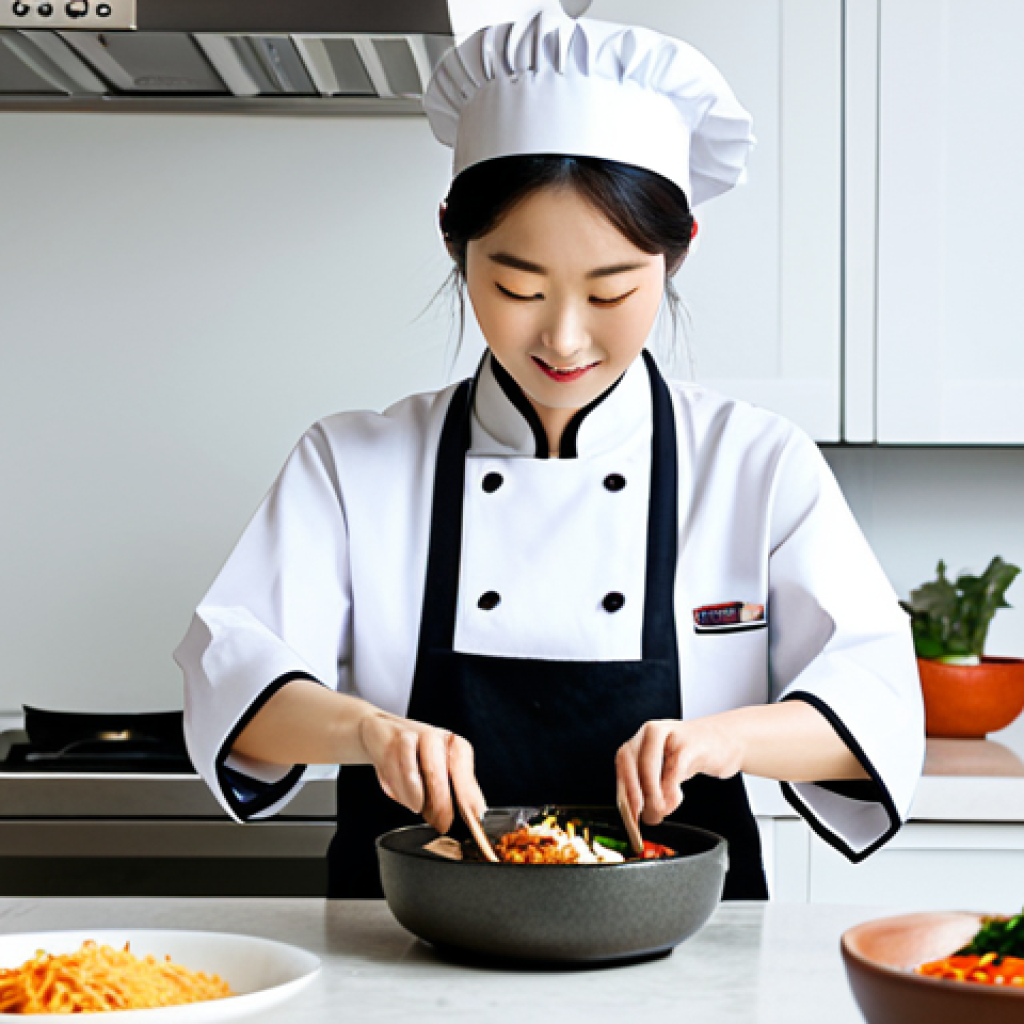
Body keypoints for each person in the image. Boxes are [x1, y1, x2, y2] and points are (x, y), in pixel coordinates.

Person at [174, 10, 924, 900]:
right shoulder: (352, 463)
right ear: (453, 241)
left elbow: (875, 703)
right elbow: (235, 682)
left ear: (678, 253)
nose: (564, 338)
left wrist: (724, 738)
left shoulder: (755, 465)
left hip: (685, 946)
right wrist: (369, 732)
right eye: (517, 287)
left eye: (612, 291)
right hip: (402, 939)